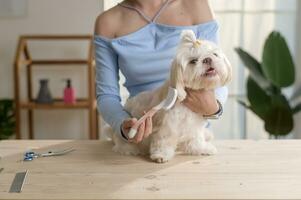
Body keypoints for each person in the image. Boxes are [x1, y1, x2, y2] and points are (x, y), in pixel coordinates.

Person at [94, 0, 228, 143]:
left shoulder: (197, 5)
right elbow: (107, 95)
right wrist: (122, 124)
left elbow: (216, 72)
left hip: (193, 140)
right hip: (142, 137)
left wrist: (214, 108)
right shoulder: (107, 22)